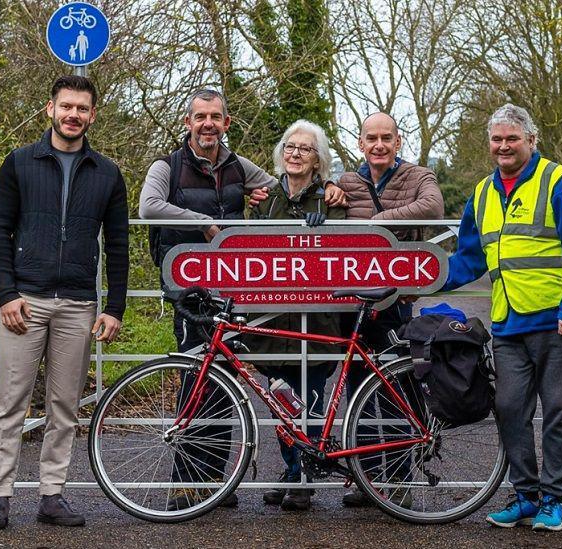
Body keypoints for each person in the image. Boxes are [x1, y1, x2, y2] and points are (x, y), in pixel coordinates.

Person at [139, 89, 344, 511]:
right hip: (191, 289)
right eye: (200, 116)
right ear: (188, 121)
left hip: (234, 293)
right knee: (198, 382)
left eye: (215, 116)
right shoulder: (168, 165)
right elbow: (149, 207)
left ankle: (217, 482)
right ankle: (188, 484)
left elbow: (287, 188)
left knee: (227, 385)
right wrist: (208, 224)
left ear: (226, 123)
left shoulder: (237, 166)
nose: (208, 123)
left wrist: (333, 187)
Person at [0, 75, 129, 529]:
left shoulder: (107, 173)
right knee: (9, 401)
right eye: (66, 106)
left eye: (82, 108)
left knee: (65, 406)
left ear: (92, 115)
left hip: (79, 304)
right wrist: (6, 294)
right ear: (50, 108)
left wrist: (114, 306)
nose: (73, 115)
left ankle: (51, 495)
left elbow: (118, 245)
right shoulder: (20, 163)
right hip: (24, 301)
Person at [440, 104, 562, 531]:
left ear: (531, 140)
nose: (504, 146)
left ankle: (554, 498)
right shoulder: (483, 193)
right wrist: (425, 278)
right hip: (508, 321)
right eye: (497, 139)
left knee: (560, 411)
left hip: (558, 321)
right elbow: (469, 258)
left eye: (512, 138)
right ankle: (526, 495)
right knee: (509, 408)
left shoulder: (559, 182)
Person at [333, 112, 444, 508]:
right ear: (360, 143)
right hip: (354, 302)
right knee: (357, 388)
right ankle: (366, 478)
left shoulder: (417, 177)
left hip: (396, 300)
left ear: (398, 141)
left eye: (386, 138)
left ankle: (396, 482)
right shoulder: (347, 181)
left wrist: (380, 222)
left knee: (396, 388)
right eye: (371, 138)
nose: (378, 145)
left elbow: (432, 207)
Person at [249, 120, 345, 511]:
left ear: (318, 159)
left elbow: (340, 252)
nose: (296, 154)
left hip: (315, 319)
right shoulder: (266, 200)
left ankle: (305, 477)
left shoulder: (331, 200)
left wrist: (324, 231)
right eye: (290, 147)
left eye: (305, 149)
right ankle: (292, 469)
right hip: (273, 320)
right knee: (280, 400)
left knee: (310, 398)